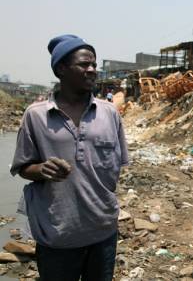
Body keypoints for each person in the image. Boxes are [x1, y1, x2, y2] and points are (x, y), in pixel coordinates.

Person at [10, 35, 129, 281]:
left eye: (94, 65)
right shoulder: (35, 116)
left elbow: (117, 166)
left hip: (102, 232)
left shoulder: (109, 114)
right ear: (61, 69)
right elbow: (22, 167)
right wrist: (41, 169)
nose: (92, 70)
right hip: (57, 235)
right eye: (84, 64)